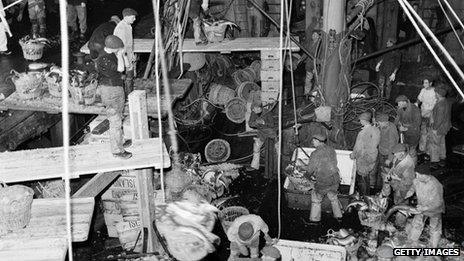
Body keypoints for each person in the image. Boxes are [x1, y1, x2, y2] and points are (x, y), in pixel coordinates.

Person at [95, 35, 132, 159]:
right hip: (109, 91)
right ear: (114, 48)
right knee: (115, 121)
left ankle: (120, 142)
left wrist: (124, 55)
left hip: (117, 89)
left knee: (119, 118)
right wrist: (120, 55)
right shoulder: (103, 59)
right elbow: (121, 69)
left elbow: (127, 66)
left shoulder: (111, 53)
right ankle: (117, 151)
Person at [303, 133, 343, 223]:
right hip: (335, 178)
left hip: (324, 181)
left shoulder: (315, 153)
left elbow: (310, 169)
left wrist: (306, 176)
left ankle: (314, 219)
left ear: (317, 141)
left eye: (313, 141)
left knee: (316, 198)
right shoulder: (331, 149)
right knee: (333, 196)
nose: (312, 142)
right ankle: (339, 216)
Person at [405, 164, 444, 247]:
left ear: (426, 175)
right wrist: (410, 192)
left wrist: (425, 207)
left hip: (434, 210)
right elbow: (413, 186)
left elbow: (438, 202)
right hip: (421, 206)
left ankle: (433, 246)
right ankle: (412, 241)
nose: (417, 176)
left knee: (434, 228)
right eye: (416, 174)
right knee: (417, 224)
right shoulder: (417, 180)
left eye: (419, 174)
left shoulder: (435, 185)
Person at [381, 143, 415, 227]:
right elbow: (394, 166)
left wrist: (397, 178)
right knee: (396, 202)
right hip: (397, 186)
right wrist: (390, 174)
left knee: (401, 207)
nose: (394, 155)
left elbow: (408, 182)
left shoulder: (408, 164)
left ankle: (400, 225)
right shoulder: (398, 157)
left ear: (402, 153)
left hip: (404, 190)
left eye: (396, 153)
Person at [350, 112, 380, 196]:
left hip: (363, 157)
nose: (360, 122)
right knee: (367, 176)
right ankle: (367, 195)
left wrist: (353, 154)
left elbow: (358, 147)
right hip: (372, 156)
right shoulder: (376, 130)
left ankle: (363, 197)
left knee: (362, 177)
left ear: (364, 120)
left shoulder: (362, 133)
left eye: (360, 120)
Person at [114, 8, 137, 96]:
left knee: (129, 76)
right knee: (127, 76)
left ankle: (128, 94)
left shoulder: (128, 26)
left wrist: (132, 54)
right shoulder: (121, 29)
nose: (134, 19)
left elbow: (129, 44)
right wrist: (127, 60)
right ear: (126, 17)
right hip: (123, 57)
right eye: (133, 17)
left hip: (128, 54)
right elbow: (122, 47)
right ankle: (128, 96)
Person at [428, 87, 451, 170]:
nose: (435, 94)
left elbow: (439, 119)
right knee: (441, 143)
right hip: (444, 127)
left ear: (439, 94)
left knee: (434, 144)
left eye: (436, 93)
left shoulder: (441, 105)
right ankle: (442, 158)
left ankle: (434, 161)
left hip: (438, 128)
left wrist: (434, 128)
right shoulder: (445, 101)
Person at [395, 95, 421, 164]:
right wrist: (399, 126)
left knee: (412, 150)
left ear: (404, 102)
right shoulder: (400, 108)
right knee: (406, 149)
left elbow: (418, 123)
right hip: (404, 134)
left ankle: (413, 166)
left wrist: (407, 128)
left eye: (399, 103)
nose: (398, 105)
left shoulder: (415, 110)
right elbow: (398, 119)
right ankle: (407, 164)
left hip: (413, 133)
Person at [376, 113, 399, 191]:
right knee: (381, 170)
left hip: (387, 154)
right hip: (382, 150)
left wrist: (390, 158)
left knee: (386, 173)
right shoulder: (384, 126)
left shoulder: (391, 130)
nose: (378, 123)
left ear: (384, 122)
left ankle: (386, 192)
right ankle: (380, 188)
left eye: (379, 122)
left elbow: (393, 146)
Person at [416, 78, 437, 156]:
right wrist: (416, 103)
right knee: (423, 132)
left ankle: (428, 151)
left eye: (426, 83)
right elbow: (419, 98)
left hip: (431, 115)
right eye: (423, 83)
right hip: (423, 114)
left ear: (430, 83)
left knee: (430, 133)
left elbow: (436, 105)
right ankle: (422, 149)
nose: (424, 84)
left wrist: (431, 116)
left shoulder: (435, 92)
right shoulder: (423, 90)